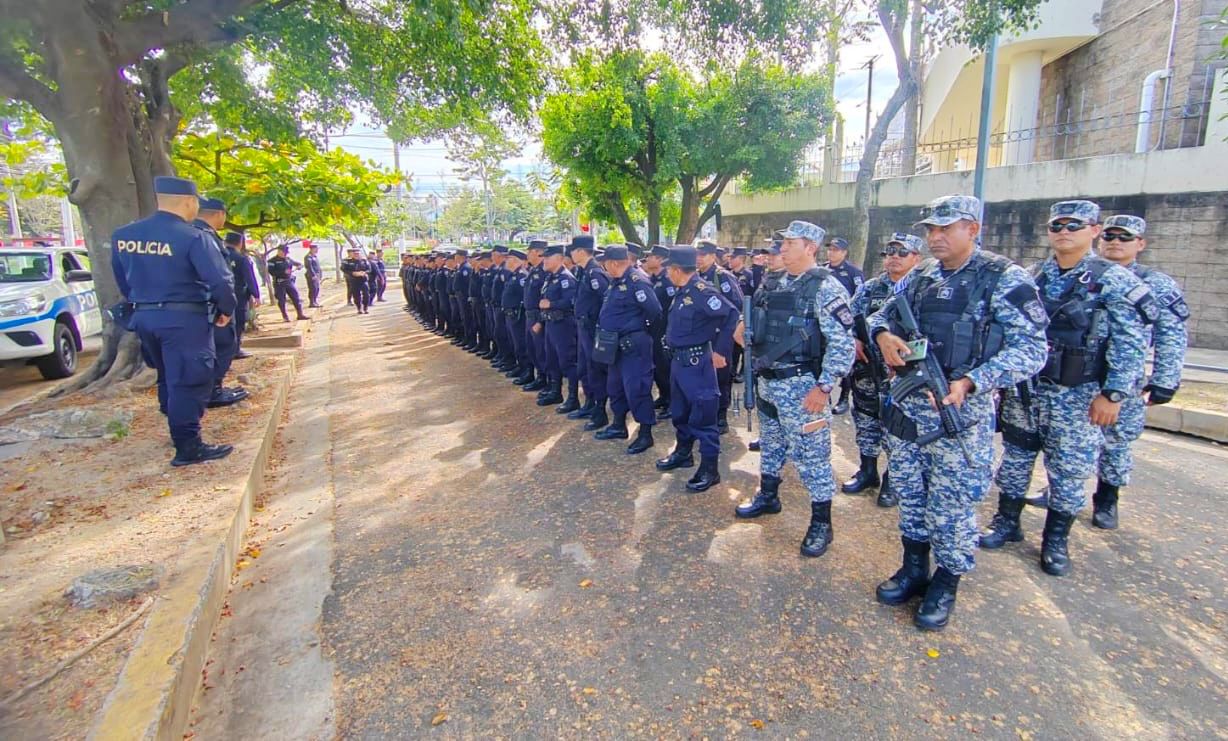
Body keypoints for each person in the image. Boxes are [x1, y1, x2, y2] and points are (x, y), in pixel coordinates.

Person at [867, 195, 1047, 631]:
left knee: (950, 508)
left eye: (945, 229)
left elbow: (1034, 349)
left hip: (959, 420)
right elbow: (878, 315)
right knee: (910, 495)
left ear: (973, 228)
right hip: (910, 412)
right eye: (931, 229)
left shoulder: (1003, 278)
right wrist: (884, 335)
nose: (935, 237)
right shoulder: (921, 275)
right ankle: (913, 569)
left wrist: (974, 381)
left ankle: (946, 581)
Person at [983, 200, 1151, 577]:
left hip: (1079, 395)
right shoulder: (1031, 276)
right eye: (1056, 225)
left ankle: (1055, 540)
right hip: (1029, 391)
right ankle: (1007, 521)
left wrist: (1114, 394)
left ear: (1093, 231)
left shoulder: (1114, 279)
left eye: (1073, 226)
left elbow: (1130, 342)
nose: (1063, 232)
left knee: (1069, 470)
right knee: (1015, 458)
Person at [730, 221, 855, 559]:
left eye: (789, 242)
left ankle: (821, 523)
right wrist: (743, 326)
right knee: (770, 444)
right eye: (780, 242)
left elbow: (842, 345)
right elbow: (751, 323)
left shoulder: (826, 288)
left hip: (804, 389)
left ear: (811, 247)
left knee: (812, 457)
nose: (781, 247)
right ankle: (769, 495)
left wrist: (824, 387)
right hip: (768, 382)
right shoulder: (772, 282)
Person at [111, 176, 236, 466]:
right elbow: (220, 280)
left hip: (144, 316)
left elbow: (122, 280)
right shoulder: (192, 236)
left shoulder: (124, 236)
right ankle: (188, 446)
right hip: (184, 320)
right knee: (190, 381)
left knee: (167, 375)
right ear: (189, 202)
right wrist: (225, 310)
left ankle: (175, 428)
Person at [1093, 214, 1188, 528]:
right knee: (1069, 441)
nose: (1115, 243)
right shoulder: (1085, 274)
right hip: (1077, 376)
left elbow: (1171, 334)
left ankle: (1107, 500)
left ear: (1140, 244)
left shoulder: (1156, 284)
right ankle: (1060, 492)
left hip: (1126, 380)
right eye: (1110, 237)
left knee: (1116, 442)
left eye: (1125, 238)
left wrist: (1165, 380)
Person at [842, 233, 925, 507]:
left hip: (903, 376)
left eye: (902, 252)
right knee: (866, 421)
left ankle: (893, 481)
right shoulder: (870, 288)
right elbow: (847, 317)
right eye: (890, 251)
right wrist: (853, 338)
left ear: (917, 258)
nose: (894, 257)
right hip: (868, 370)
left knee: (897, 428)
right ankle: (868, 471)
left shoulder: (923, 288)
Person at [654, 245, 740, 491]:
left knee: (702, 417)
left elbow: (731, 314)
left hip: (697, 364)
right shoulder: (683, 291)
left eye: (668, 268)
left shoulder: (702, 291)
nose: (667, 272)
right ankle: (683, 453)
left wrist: (721, 351)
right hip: (679, 363)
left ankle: (710, 469)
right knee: (680, 412)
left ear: (676, 269)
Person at [594, 244, 662, 453]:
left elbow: (655, 313)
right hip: (615, 346)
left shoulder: (637, 282)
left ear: (614, 263)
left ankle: (645, 433)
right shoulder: (616, 282)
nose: (603, 266)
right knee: (615, 387)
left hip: (633, 346)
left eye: (605, 262)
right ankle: (618, 424)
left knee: (637, 389)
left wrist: (640, 333)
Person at [192, 197, 247, 408]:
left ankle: (214, 388)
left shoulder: (200, 234)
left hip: (201, 305)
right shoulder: (203, 237)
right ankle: (213, 391)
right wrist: (226, 307)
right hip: (211, 305)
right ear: (219, 214)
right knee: (224, 345)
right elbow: (220, 278)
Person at [695, 240, 744, 434]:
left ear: (713, 256)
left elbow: (736, 306)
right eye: (697, 254)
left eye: (703, 255)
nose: (699, 258)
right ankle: (707, 412)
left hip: (721, 336)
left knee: (722, 377)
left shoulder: (722, 277)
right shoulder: (697, 276)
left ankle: (721, 416)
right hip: (703, 336)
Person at [570, 236, 611, 427]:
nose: (570, 254)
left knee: (595, 370)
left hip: (592, 329)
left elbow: (606, 301)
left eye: (573, 250)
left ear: (580, 251)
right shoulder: (582, 271)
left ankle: (600, 410)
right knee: (584, 368)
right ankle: (590, 403)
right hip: (583, 328)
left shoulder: (594, 272)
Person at [823, 237, 864, 416]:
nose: (832, 252)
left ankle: (843, 398)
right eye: (830, 249)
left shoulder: (853, 272)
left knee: (846, 364)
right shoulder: (822, 271)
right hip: (825, 323)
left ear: (844, 252)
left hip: (845, 323)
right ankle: (825, 397)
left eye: (836, 249)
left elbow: (860, 299)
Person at [538, 244, 580, 410]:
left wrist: (551, 304)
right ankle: (555, 392)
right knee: (552, 359)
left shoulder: (565, 278)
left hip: (563, 325)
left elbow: (571, 302)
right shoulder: (550, 277)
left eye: (548, 258)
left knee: (567, 361)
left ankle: (573, 397)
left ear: (560, 259)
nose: (545, 261)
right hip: (551, 323)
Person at [646, 245, 675, 418]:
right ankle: (664, 396)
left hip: (665, 330)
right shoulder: (652, 279)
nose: (647, 259)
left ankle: (672, 401)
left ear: (661, 260)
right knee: (657, 367)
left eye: (651, 256)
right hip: (653, 330)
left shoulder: (668, 281)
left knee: (666, 368)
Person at [225, 231, 260, 359]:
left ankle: (227, 350)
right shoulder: (241, 258)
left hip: (222, 294)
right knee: (239, 322)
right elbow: (249, 278)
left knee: (224, 322)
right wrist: (256, 295)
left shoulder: (219, 255)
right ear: (240, 243)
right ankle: (236, 349)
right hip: (239, 295)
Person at [522, 240, 550, 393]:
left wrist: (540, 320)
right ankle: (539, 377)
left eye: (528, 252)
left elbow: (544, 298)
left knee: (541, 351)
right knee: (532, 349)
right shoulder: (534, 270)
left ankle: (545, 380)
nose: (527, 255)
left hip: (538, 317)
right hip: (529, 315)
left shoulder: (544, 272)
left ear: (535, 252)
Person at [502, 249, 533, 385]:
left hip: (518, 316)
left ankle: (527, 371)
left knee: (521, 345)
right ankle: (520, 367)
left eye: (509, 259)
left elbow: (524, 297)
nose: (506, 262)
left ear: (515, 261)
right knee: (515, 343)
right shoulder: (513, 275)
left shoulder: (521, 276)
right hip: (511, 315)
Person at [268, 244, 309, 322]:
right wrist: (283, 272)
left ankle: (300, 314)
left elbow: (297, 264)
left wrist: (299, 266)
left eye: (286, 252)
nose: (284, 254)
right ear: (279, 251)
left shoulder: (288, 259)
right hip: (279, 283)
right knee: (282, 300)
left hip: (289, 282)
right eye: (283, 252)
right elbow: (271, 272)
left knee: (296, 298)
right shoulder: (272, 261)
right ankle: (285, 316)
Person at [340, 247, 372, 314]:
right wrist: (352, 273)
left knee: (366, 295)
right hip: (354, 281)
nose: (356, 255)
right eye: (355, 254)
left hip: (363, 280)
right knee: (356, 296)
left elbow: (369, 269)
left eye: (358, 254)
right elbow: (343, 269)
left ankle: (365, 308)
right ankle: (359, 308)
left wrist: (364, 272)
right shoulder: (348, 261)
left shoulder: (364, 261)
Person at [305, 242, 323, 307]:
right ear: (312, 249)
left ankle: (315, 301)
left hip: (317, 275)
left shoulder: (315, 256)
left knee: (317, 288)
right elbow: (309, 267)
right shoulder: (308, 257)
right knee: (312, 289)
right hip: (311, 276)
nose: (317, 250)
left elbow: (318, 266)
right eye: (316, 248)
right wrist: (313, 275)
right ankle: (311, 302)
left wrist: (320, 274)